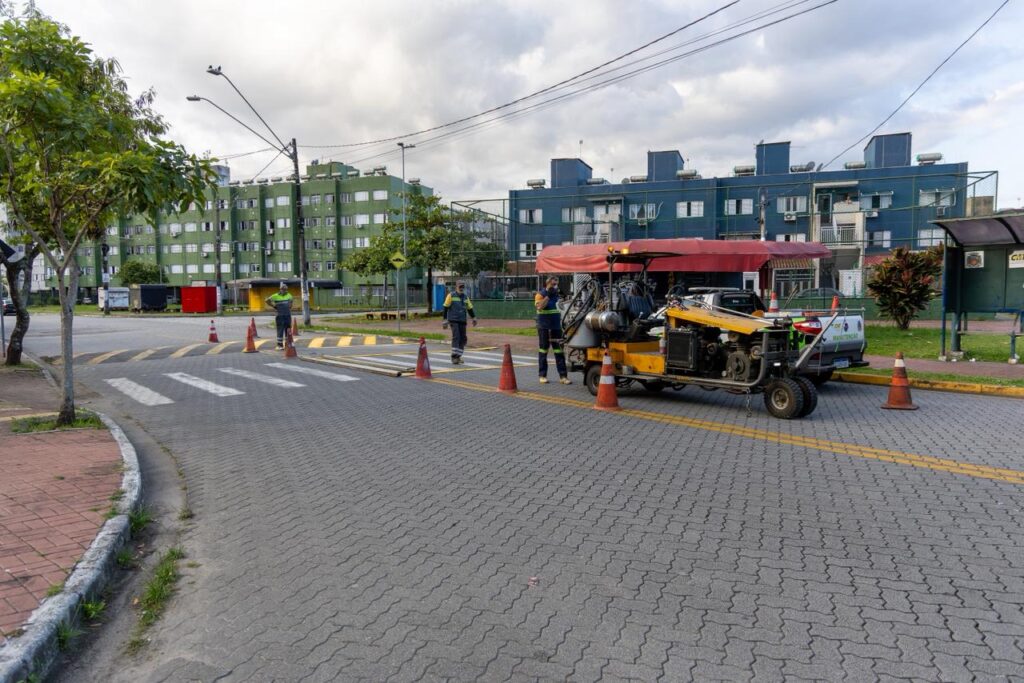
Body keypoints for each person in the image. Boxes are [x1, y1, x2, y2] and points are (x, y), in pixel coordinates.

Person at [535, 276, 570, 384]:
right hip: (544, 327)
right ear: (548, 283)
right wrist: (548, 297)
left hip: (556, 327)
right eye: (554, 284)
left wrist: (565, 298)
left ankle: (563, 377)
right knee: (543, 350)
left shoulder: (557, 295)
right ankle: (542, 375)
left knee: (559, 351)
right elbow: (540, 307)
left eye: (556, 284)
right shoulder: (540, 294)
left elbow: (565, 308)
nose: (555, 287)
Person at [442, 281, 477, 364]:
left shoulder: (465, 297)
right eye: (460, 286)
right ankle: (454, 357)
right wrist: (444, 320)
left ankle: (458, 356)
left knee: (463, 338)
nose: (461, 288)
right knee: (456, 336)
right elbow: (445, 307)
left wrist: (474, 318)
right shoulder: (451, 295)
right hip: (453, 320)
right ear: (456, 287)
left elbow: (469, 308)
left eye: (462, 287)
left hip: (462, 320)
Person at [265, 282, 294, 349]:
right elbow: (267, 300)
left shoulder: (289, 295)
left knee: (288, 329)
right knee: (280, 329)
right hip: (280, 315)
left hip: (287, 315)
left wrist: (289, 305)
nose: (284, 291)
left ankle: (288, 343)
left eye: (285, 289)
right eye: (283, 289)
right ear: (280, 289)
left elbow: (291, 303)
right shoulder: (275, 296)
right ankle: (279, 345)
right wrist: (274, 306)